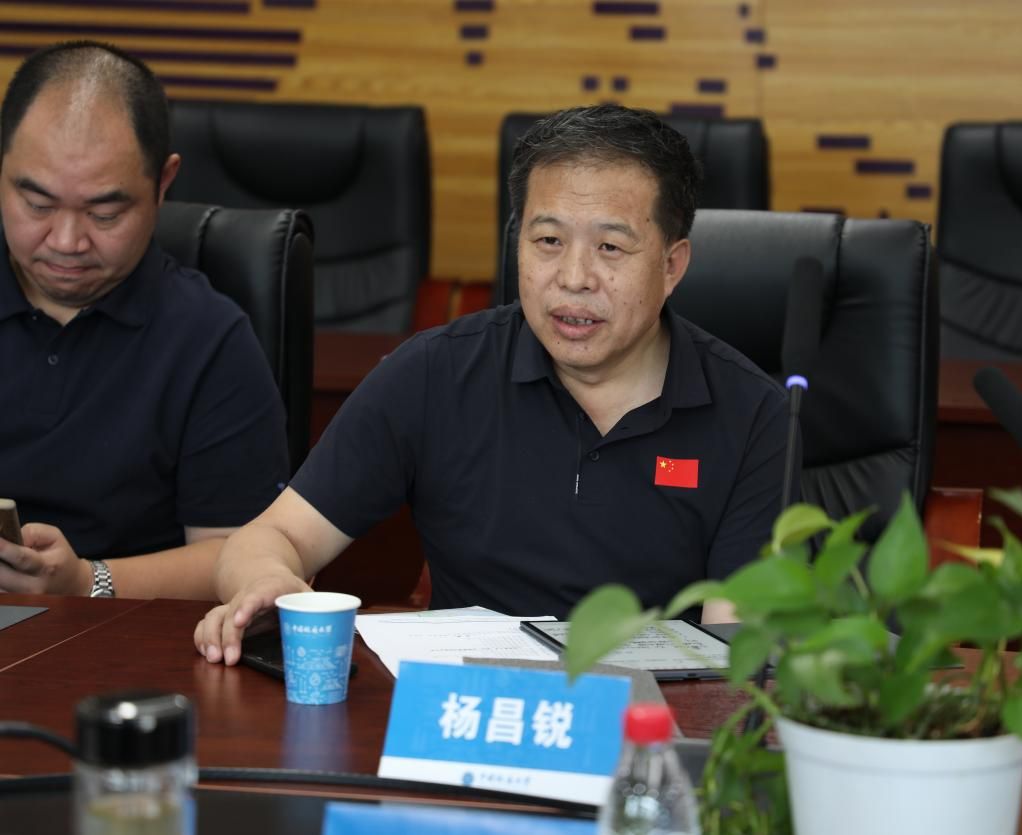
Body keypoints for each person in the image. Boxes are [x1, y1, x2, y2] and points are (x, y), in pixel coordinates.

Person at [195, 104, 789, 665]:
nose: (574, 278)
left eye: (610, 247)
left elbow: (737, 657)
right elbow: (272, 535)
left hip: (647, 721)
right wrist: (266, 580)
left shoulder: (754, 417)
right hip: (466, 708)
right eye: (548, 241)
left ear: (671, 265)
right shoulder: (434, 373)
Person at [0, 41, 289, 599]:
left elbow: (244, 554)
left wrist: (87, 582)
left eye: (105, 213)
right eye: (37, 205)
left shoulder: (210, 340)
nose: (67, 241)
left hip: (119, 636)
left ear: (162, 183)